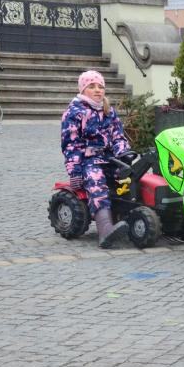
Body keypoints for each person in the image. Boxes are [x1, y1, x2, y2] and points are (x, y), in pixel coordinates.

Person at [61, 70, 134, 248]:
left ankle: (133, 215)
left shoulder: (109, 111)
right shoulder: (74, 112)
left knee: (130, 177)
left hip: (110, 158)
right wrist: (75, 171)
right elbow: (71, 145)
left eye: (100, 87)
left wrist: (124, 152)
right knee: (96, 180)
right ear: (83, 89)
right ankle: (105, 228)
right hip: (88, 161)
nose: (97, 90)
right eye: (92, 86)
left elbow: (118, 137)